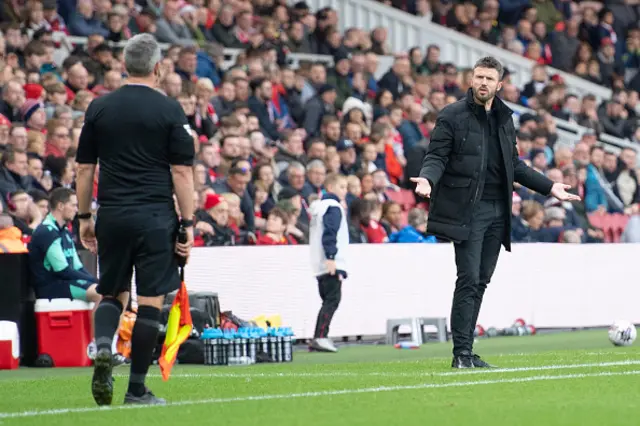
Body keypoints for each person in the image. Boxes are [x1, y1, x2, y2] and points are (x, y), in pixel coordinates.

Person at [410, 57, 580, 369]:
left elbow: (514, 166)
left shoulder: (505, 117)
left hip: (498, 210)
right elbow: (436, 155)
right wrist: (427, 178)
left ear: (499, 84)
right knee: (469, 278)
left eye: (489, 78)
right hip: (467, 210)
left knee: (481, 281)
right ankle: (461, 353)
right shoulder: (451, 115)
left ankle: (467, 351)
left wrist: (549, 187)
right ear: (471, 80)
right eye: (479, 77)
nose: (483, 83)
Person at [75, 34, 195, 406]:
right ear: (158, 68)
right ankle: (137, 389)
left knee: (112, 292)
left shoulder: (99, 108)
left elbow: (83, 169)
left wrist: (83, 217)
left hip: (112, 214)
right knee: (149, 303)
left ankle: (102, 348)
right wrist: (187, 223)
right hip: (155, 217)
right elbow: (181, 173)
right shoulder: (170, 111)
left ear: (125, 65)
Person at [308, 173, 349, 353]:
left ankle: (320, 335)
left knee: (328, 300)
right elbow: (330, 233)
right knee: (332, 300)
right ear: (330, 188)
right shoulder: (333, 207)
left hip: (318, 262)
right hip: (330, 262)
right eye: (342, 187)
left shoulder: (319, 208)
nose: (345, 191)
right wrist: (331, 257)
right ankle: (321, 336)